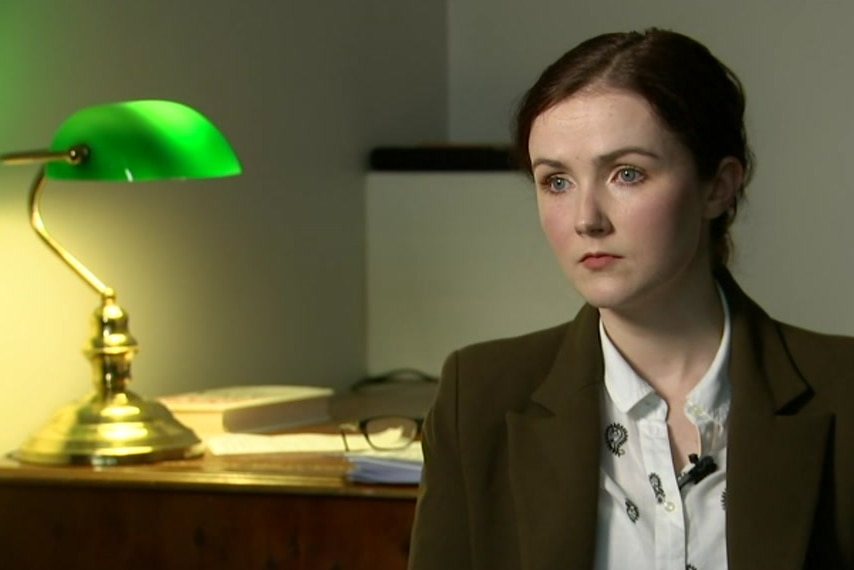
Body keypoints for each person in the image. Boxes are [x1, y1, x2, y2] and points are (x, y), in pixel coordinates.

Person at [407, 28, 854, 570]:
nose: (586, 219)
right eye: (556, 181)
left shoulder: (843, 391)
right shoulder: (477, 396)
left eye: (627, 173)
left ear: (719, 186)